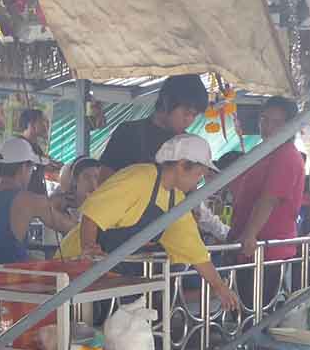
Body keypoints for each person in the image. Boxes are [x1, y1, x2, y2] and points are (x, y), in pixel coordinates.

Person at [56, 133, 239, 311]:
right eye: (198, 175)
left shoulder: (176, 199)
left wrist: (219, 286)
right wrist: (89, 248)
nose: (198, 182)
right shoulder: (139, 177)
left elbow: (194, 250)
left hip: (108, 276)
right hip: (73, 266)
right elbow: (92, 214)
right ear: (182, 166)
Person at [0, 137, 75, 269]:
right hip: (8, 284)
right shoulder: (30, 200)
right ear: (23, 168)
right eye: (31, 168)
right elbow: (69, 227)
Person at [229, 96, 307, 262]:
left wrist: (250, 234)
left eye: (277, 122)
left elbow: (269, 199)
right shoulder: (262, 151)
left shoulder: (286, 156)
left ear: (289, 126)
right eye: (264, 119)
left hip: (266, 250)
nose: (268, 127)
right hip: (248, 245)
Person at [98, 75, 209, 180]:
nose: (189, 120)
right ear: (166, 102)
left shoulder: (188, 144)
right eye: (186, 113)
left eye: (194, 115)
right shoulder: (128, 133)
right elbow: (105, 180)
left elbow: (192, 192)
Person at [16, 108, 61, 196]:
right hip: (26, 197)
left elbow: (43, 165)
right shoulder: (20, 145)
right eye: (43, 121)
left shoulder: (36, 147)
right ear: (31, 124)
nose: (47, 125)